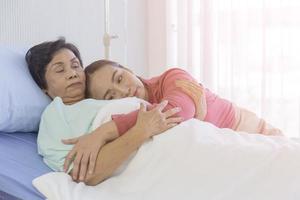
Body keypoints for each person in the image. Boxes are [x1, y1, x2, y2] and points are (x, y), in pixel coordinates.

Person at [25, 38, 188, 185]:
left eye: (75, 66)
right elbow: (86, 173)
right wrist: (140, 131)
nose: (72, 74)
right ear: (44, 87)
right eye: (60, 70)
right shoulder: (56, 116)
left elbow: (174, 108)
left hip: (178, 138)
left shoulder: (99, 96)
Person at [85, 59, 283, 138]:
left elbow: (176, 111)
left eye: (120, 78)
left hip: (249, 129)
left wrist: (108, 130)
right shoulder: (133, 109)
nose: (123, 91)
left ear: (128, 69)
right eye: (111, 96)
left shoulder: (172, 77)